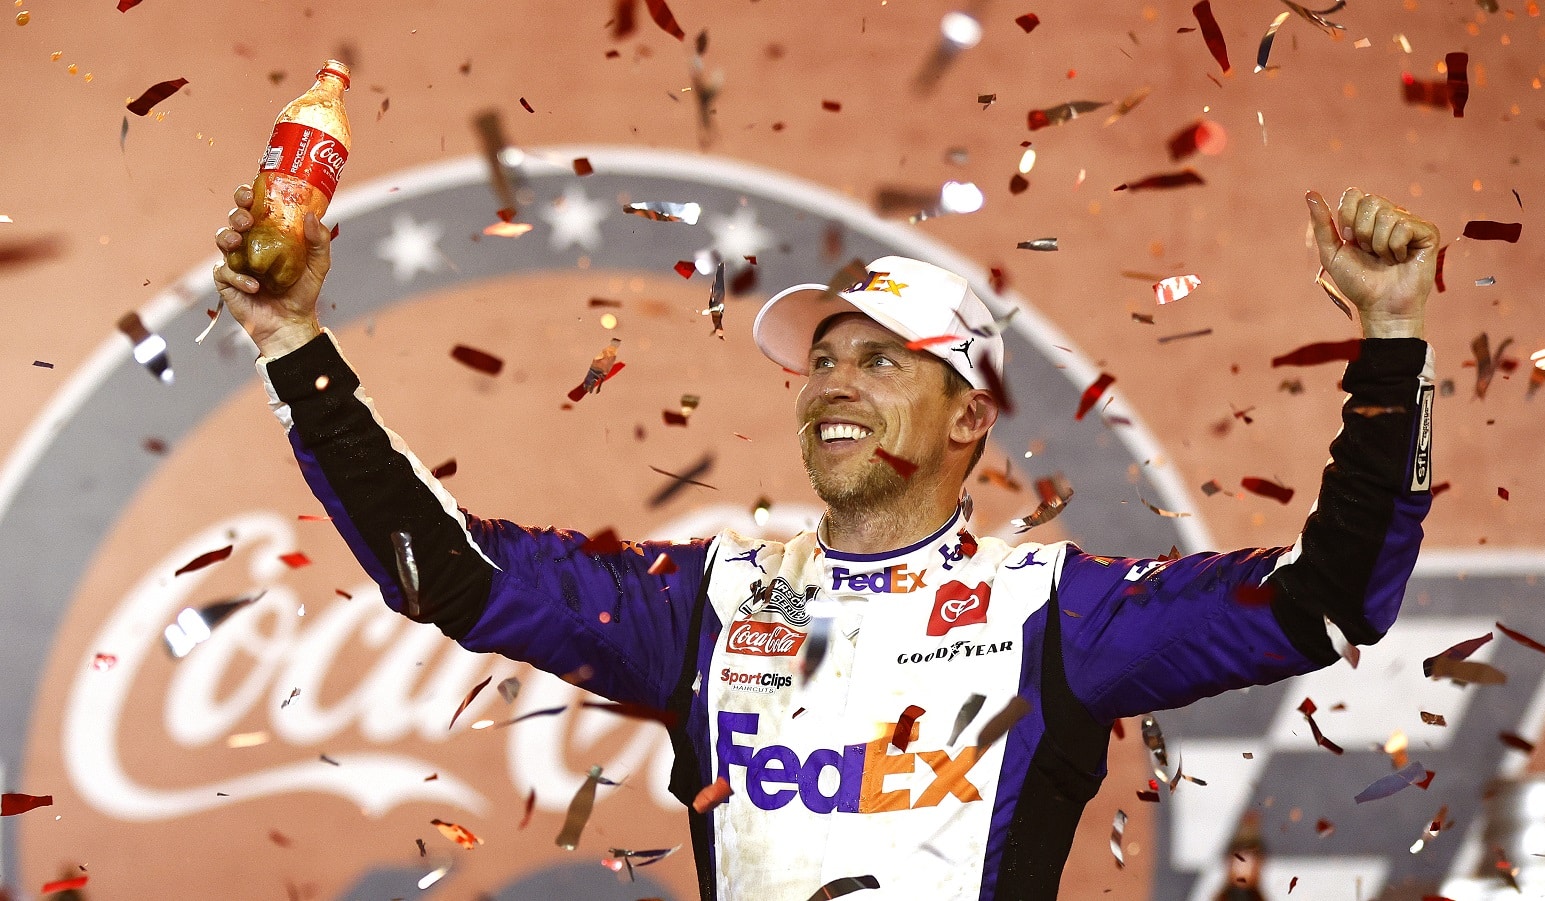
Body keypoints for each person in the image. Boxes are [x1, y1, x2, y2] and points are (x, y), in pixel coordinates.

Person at [213, 184, 1440, 901]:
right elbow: (444, 572)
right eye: (823, 360)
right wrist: (290, 344)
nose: (830, 382)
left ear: (969, 414)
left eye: (879, 358)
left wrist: (1388, 341)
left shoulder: (1059, 609)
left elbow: (1330, 599)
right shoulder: (705, 602)